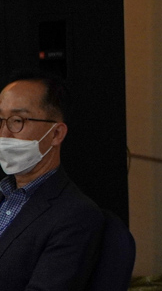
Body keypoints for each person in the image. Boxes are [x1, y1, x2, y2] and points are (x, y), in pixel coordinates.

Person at [0, 71, 104, 289]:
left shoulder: (76, 215)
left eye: (17, 121)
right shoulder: (4, 193)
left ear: (56, 134)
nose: (4, 134)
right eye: (0, 120)